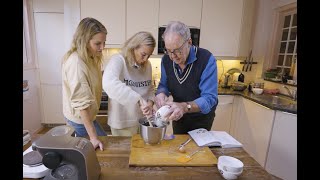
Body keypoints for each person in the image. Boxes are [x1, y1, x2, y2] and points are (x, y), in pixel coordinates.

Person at [155, 21, 219, 134]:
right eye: (168, 51)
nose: (172, 56)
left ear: (189, 42)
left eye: (177, 51)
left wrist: (185, 107)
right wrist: (161, 93)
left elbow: (209, 98)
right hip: (179, 116)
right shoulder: (166, 60)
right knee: (180, 147)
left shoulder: (206, 59)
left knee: (198, 150)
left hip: (201, 119)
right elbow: (164, 84)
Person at [62, 17, 108, 150]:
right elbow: (82, 105)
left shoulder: (90, 56)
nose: (102, 47)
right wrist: (93, 138)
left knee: (102, 142)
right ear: (84, 41)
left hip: (88, 115)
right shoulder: (76, 63)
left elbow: (90, 77)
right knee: (97, 148)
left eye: (104, 42)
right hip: (80, 118)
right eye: (98, 43)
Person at [102, 31, 156, 136]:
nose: (145, 59)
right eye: (143, 54)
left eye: (148, 56)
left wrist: (150, 103)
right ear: (133, 47)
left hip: (142, 121)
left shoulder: (147, 65)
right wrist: (138, 100)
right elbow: (109, 83)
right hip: (122, 122)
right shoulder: (118, 60)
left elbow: (149, 88)